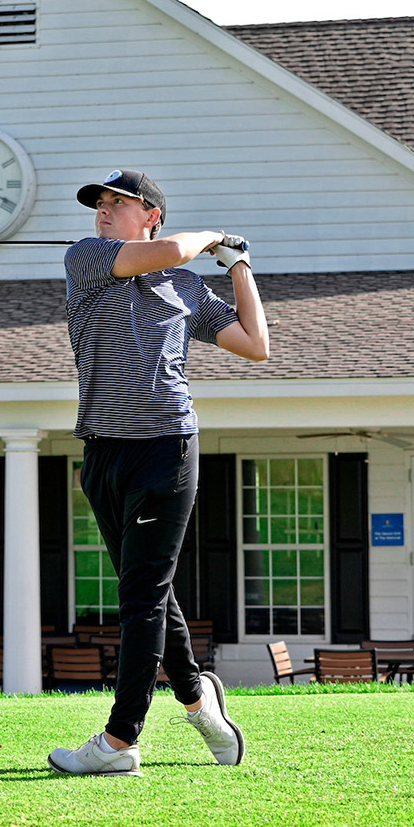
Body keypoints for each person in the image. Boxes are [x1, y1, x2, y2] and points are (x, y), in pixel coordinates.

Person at [47, 169, 270, 776]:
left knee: (142, 596)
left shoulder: (185, 287)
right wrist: (215, 236)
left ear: (150, 214)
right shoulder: (87, 258)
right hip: (103, 451)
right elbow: (172, 250)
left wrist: (239, 266)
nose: (103, 211)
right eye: (100, 203)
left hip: (167, 447)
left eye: (117, 203)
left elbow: (255, 343)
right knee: (149, 588)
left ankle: (120, 741)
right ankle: (201, 704)